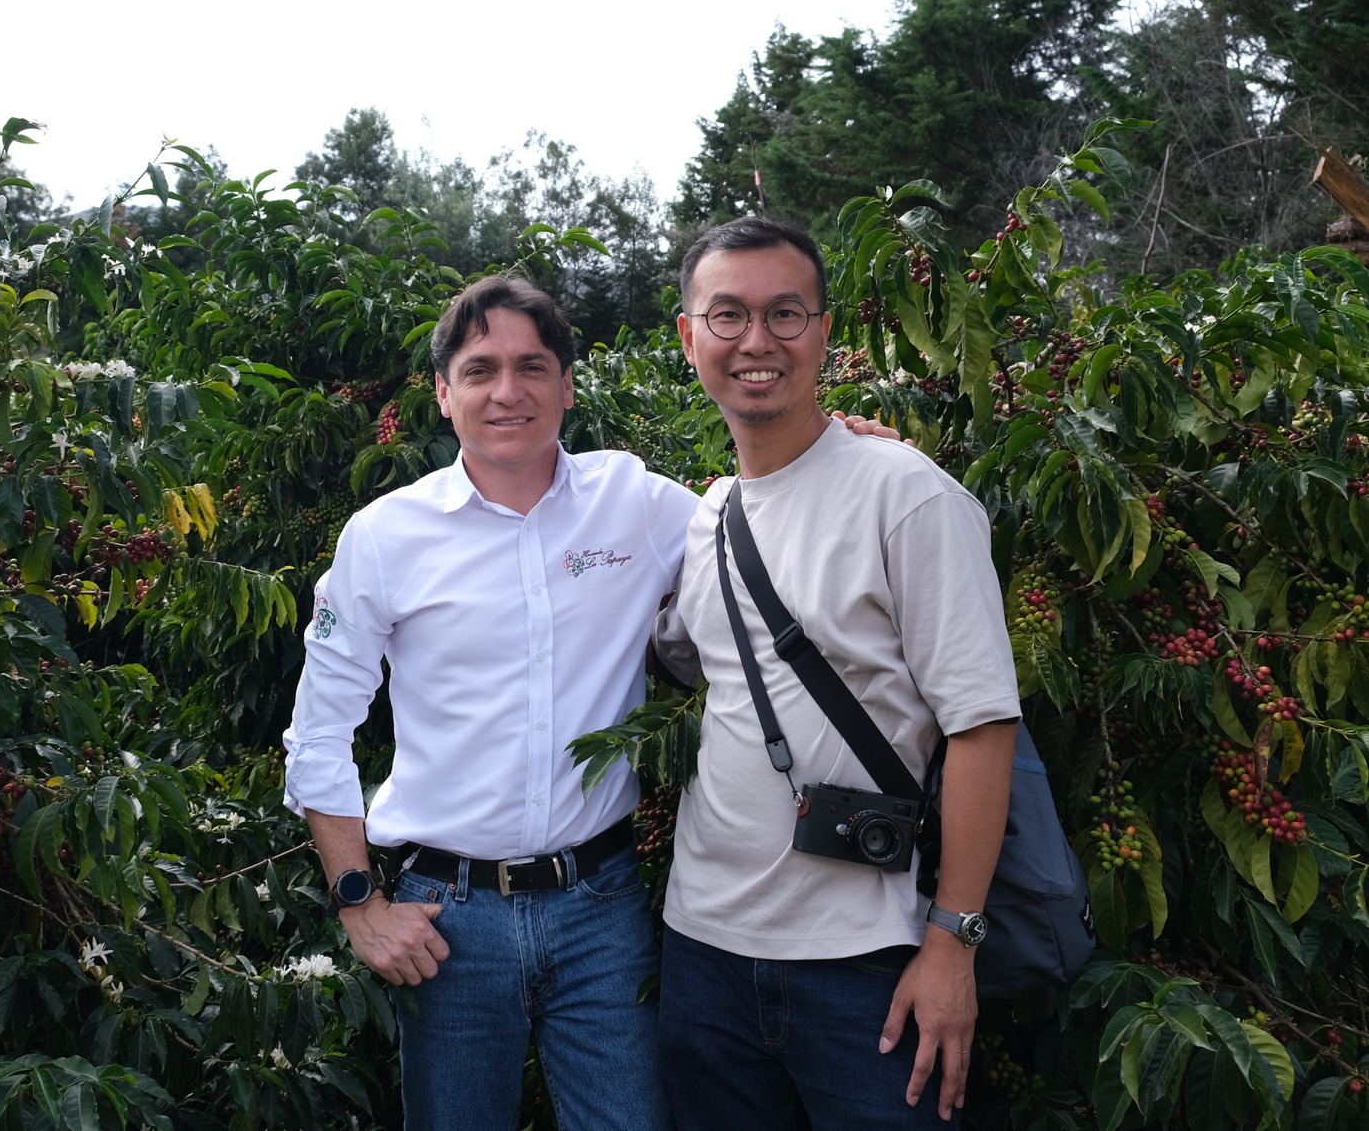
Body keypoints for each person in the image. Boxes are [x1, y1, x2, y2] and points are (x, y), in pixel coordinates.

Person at [282, 271, 898, 1130]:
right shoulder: (385, 537)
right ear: (441, 392)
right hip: (444, 919)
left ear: (568, 385)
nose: (509, 391)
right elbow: (319, 730)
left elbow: (763, 534)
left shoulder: (635, 503)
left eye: (533, 366)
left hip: (601, 909)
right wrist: (358, 904)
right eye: (480, 368)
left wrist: (853, 460)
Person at [653, 217, 1020, 1130]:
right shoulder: (707, 516)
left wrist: (953, 943)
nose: (756, 341)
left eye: (785, 313)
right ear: (687, 333)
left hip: (869, 965)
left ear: (824, 332)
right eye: (726, 314)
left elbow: (981, 725)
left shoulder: (908, 494)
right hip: (702, 954)